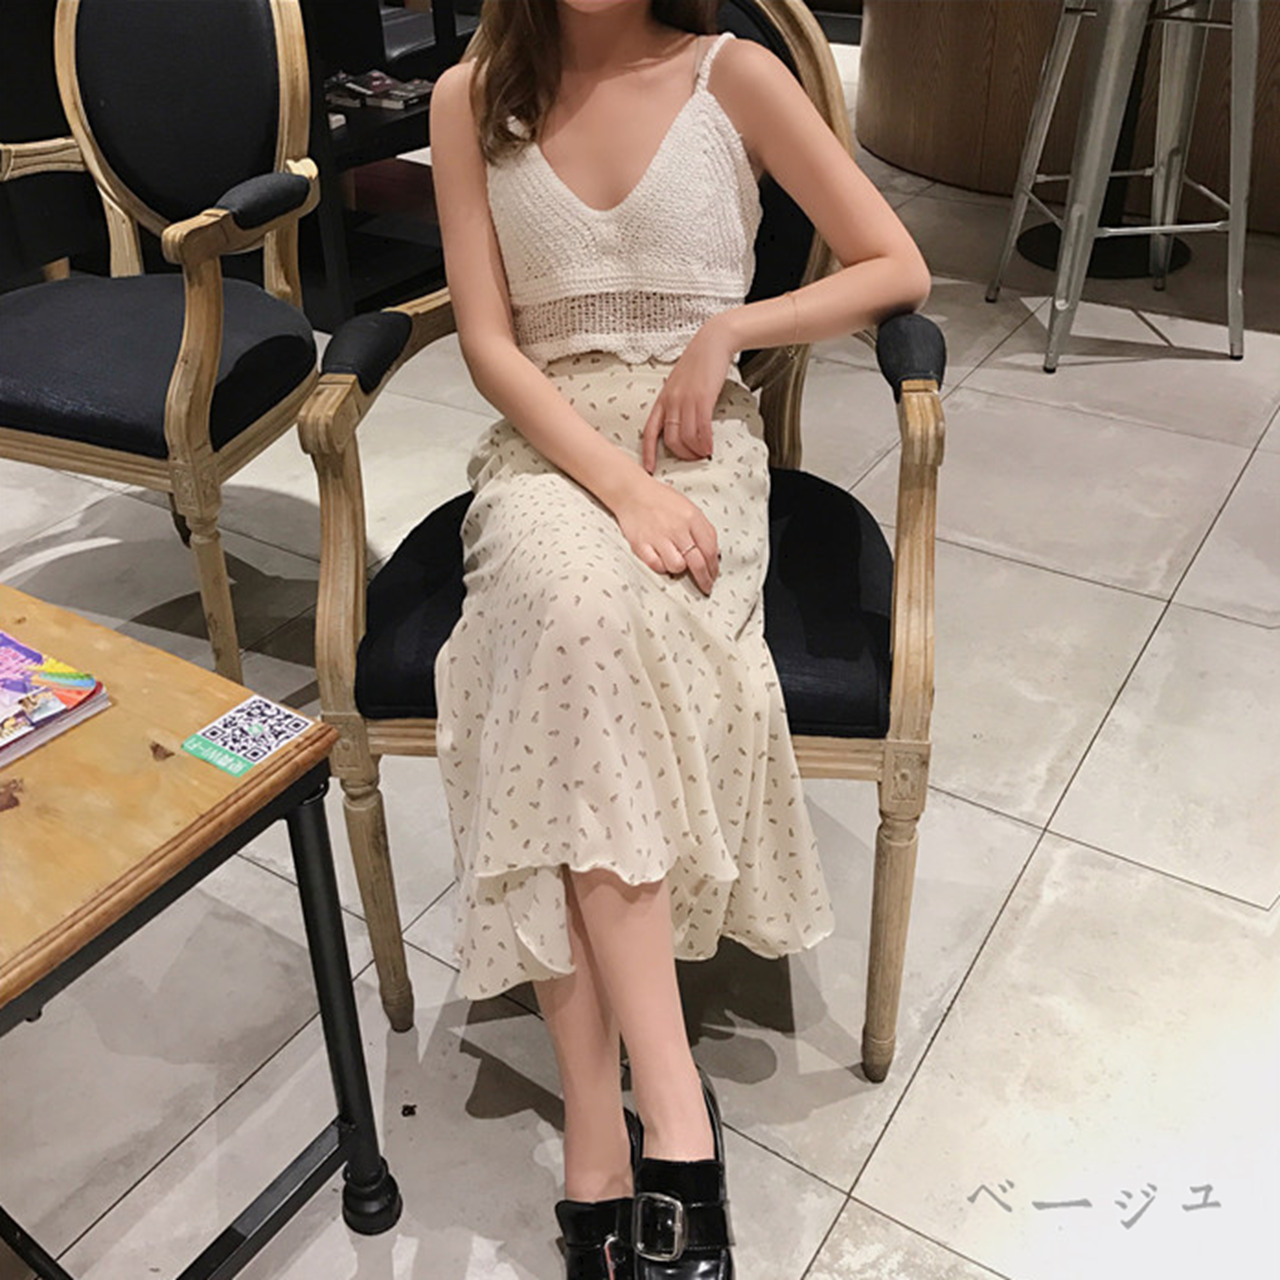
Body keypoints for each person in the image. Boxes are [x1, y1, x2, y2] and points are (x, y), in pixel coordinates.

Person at [429, 1, 930, 1275]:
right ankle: (655, 1116)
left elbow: (894, 265)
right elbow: (488, 344)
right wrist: (617, 488)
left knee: (570, 658)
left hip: (699, 455)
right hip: (551, 455)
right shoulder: (471, 96)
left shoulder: (732, 75)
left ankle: (608, 1138)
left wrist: (731, 330)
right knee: (571, 616)